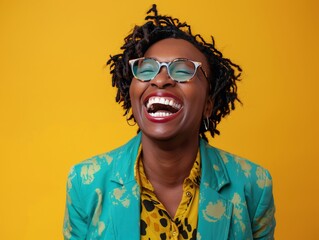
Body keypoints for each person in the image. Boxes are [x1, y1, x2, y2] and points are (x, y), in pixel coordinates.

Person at [63, 4, 275, 240]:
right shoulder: (86, 182)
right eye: (147, 69)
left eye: (183, 71)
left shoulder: (253, 185)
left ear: (208, 104)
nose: (161, 80)